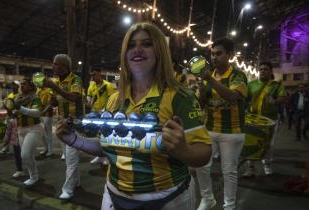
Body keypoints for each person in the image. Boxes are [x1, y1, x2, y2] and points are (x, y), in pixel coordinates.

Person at [56, 22, 212, 210]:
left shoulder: (179, 97)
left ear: (160, 51)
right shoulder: (114, 99)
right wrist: (73, 140)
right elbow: (107, 147)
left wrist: (183, 150)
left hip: (168, 199)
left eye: (146, 44)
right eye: (131, 45)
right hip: (113, 195)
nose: (137, 49)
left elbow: (204, 153)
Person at [196, 38, 248, 210]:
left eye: (219, 53)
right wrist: (202, 92)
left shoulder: (238, 75)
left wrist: (209, 80)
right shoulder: (208, 77)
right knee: (201, 165)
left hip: (232, 132)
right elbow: (201, 104)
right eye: (212, 54)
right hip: (209, 129)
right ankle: (207, 198)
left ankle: (229, 206)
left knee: (229, 172)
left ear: (230, 55)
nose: (214, 57)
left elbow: (232, 96)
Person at [42, 54, 84, 200]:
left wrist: (54, 87)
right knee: (69, 157)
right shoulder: (56, 81)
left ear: (65, 66)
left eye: (56, 64)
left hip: (75, 123)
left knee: (71, 158)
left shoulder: (75, 79)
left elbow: (73, 97)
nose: (53, 66)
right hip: (62, 123)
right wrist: (50, 102)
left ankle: (68, 190)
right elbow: (55, 103)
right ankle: (76, 182)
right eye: (53, 64)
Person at [243, 61, 286, 177]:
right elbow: (244, 100)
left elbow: (284, 98)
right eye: (261, 69)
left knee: (269, 144)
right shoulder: (251, 84)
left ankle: (267, 164)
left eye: (265, 69)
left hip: (270, 120)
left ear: (271, 72)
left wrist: (275, 101)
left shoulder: (276, 85)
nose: (262, 71)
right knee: (250, 143)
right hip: (252, 120)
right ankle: (250, 168)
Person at [13, 77, 43, 186]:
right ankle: (33, 176)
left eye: (24, 84)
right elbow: (14, 111)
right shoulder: (18, 98)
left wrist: (20, 109)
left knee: (25, 155)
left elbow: (37, 113)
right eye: (21, 84)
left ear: (31, 86)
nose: (22, 85)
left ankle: (34, 177)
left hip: (34, 128)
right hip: (21, 128)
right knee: (28, 155)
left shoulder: (35, 98)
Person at [87, 68, 115, 165]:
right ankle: (99, 156)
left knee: (106, 135)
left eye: (94, 74)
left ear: (100, 74)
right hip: (95, 114)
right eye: (91, 75)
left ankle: (107, 157)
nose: (92, 76)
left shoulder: (108, 85)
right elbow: (89, 97)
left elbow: (112, 99)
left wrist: (105, 111)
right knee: (98, 135)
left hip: (105, 114)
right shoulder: (92, 86)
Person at [0, 82, 19, 155]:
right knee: (8, 133)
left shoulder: (19, 96)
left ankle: (16, 149)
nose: (13, 87)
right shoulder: (10, 95)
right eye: (13, 86)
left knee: (15, 134)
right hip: (9, 116)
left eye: (15, 86)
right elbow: (7, 106)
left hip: (15, 117)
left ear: (18, 87)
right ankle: (6, 148)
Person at [37, 86, 54, 157]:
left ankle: (50, 151)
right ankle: (46, 148)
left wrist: (44, 111)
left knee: (48, 133)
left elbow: (50, 103)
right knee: (42, 132)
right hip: (40, 112)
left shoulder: (49, 90)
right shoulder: (38, 90)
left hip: (47, 113)